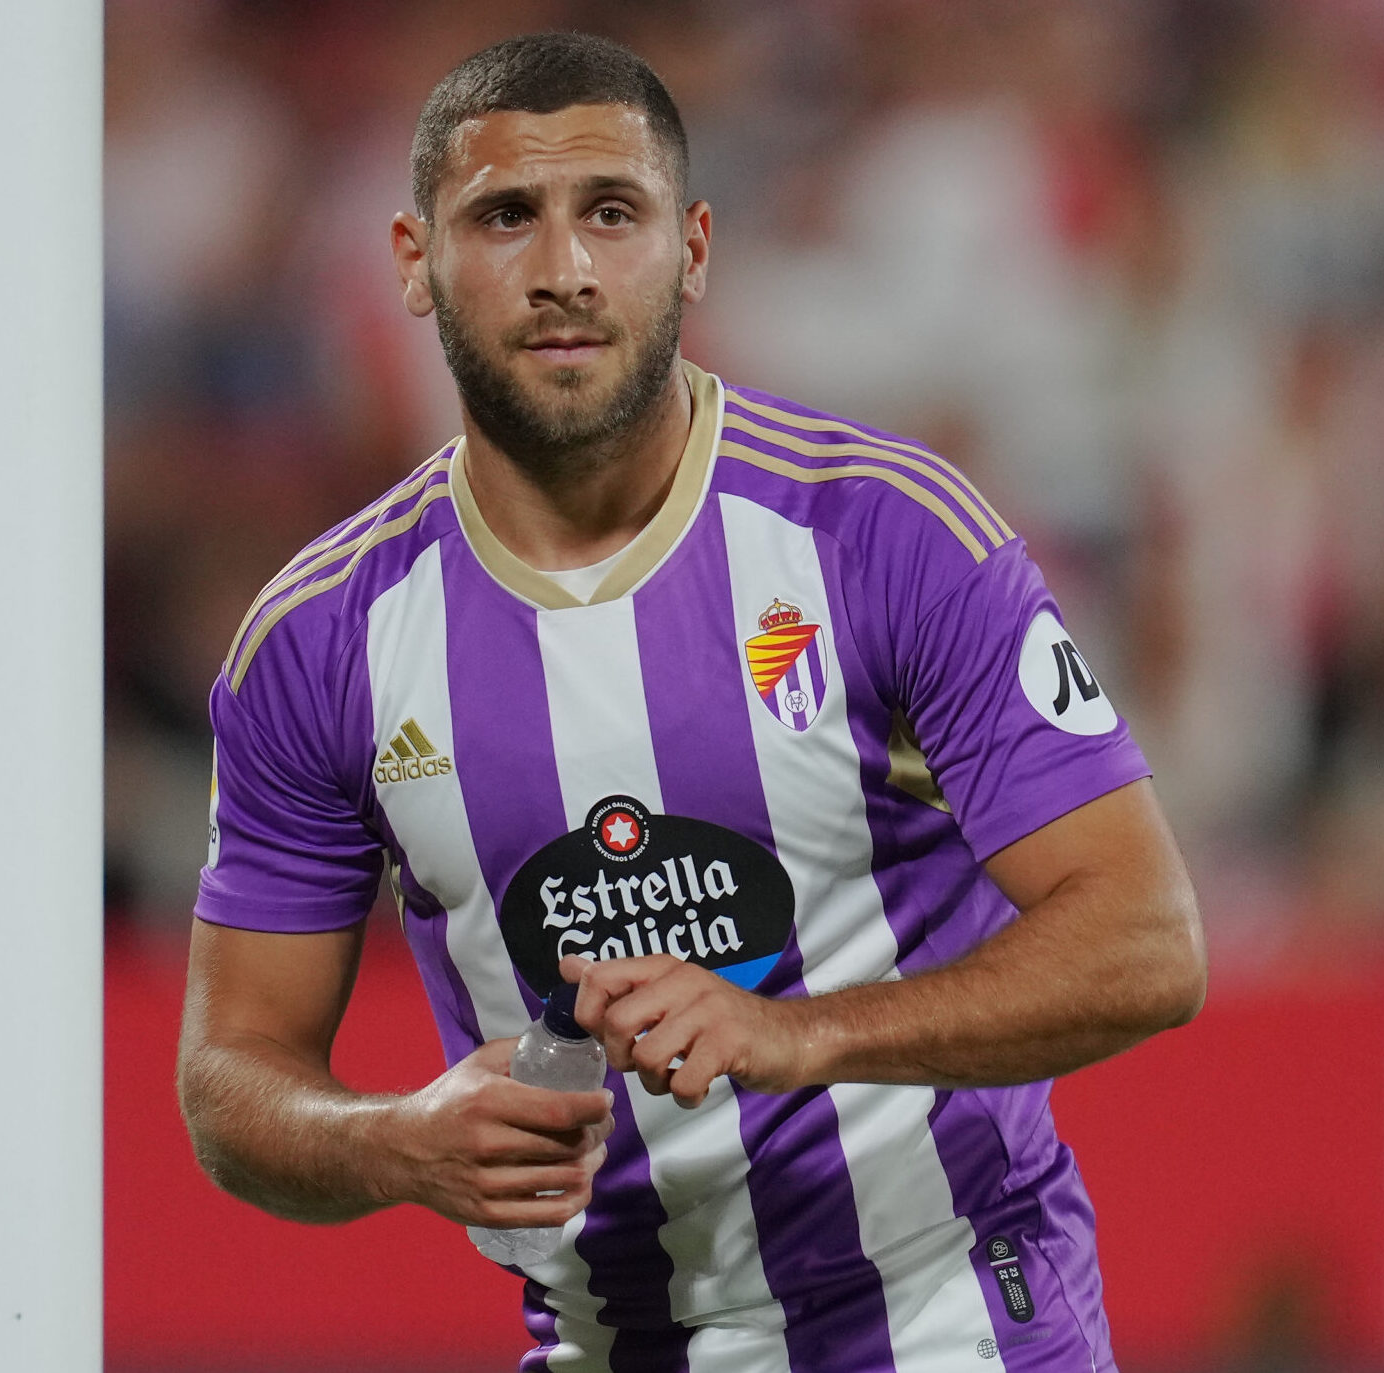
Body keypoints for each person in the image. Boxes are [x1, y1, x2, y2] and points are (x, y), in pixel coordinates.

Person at [178, 32, 1206, 1373]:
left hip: (954, 1319)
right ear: (414, 262)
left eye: (613, 211)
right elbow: (230, 1079)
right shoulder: (321, 645)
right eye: (504, 218)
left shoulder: (879, 535)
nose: (564, 270)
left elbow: (1146, 938)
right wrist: (390, 1139)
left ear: (696, 247)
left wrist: (799, 1032)